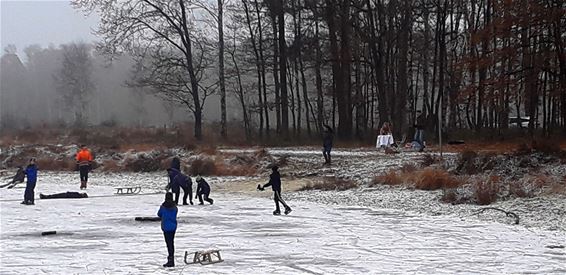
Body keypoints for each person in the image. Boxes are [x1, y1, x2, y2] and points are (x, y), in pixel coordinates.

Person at [157, 192, 178, 268]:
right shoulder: (175, 207)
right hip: (173, 227)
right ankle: (171, 258)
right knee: (171, 243)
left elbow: (159, 214)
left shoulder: (163, 206)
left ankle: (170, 260)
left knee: (168, 243)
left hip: (166, 227)